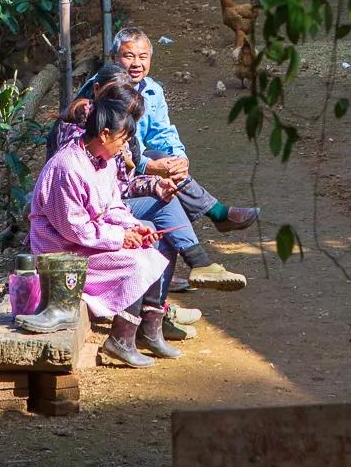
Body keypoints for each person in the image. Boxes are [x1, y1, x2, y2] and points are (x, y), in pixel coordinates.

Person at [23, 82, 179, 366]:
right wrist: (121, 238)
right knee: (137, 263)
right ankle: (120, 341)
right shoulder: (67, 167)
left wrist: (133, 227)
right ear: (105, 134)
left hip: (85, 242)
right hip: (60, 255)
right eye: (122, 139)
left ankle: (142, 332)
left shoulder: (102, 160)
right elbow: (75, 228)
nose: (124, 147)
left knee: (152, 251)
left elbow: (113, 206)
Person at [107, 26, 255, 289]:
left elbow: (163, 132)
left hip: (133, 170)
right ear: (113, 58)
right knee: (162, 191)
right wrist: (148, 165)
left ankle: (176, 275)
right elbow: (117, 147)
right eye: (129, 56)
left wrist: (179, 159)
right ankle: (214, 217)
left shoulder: (151, 90)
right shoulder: (105, 91)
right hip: (109, 177)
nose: (137, 63)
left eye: (143, 56)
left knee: (165, 162)